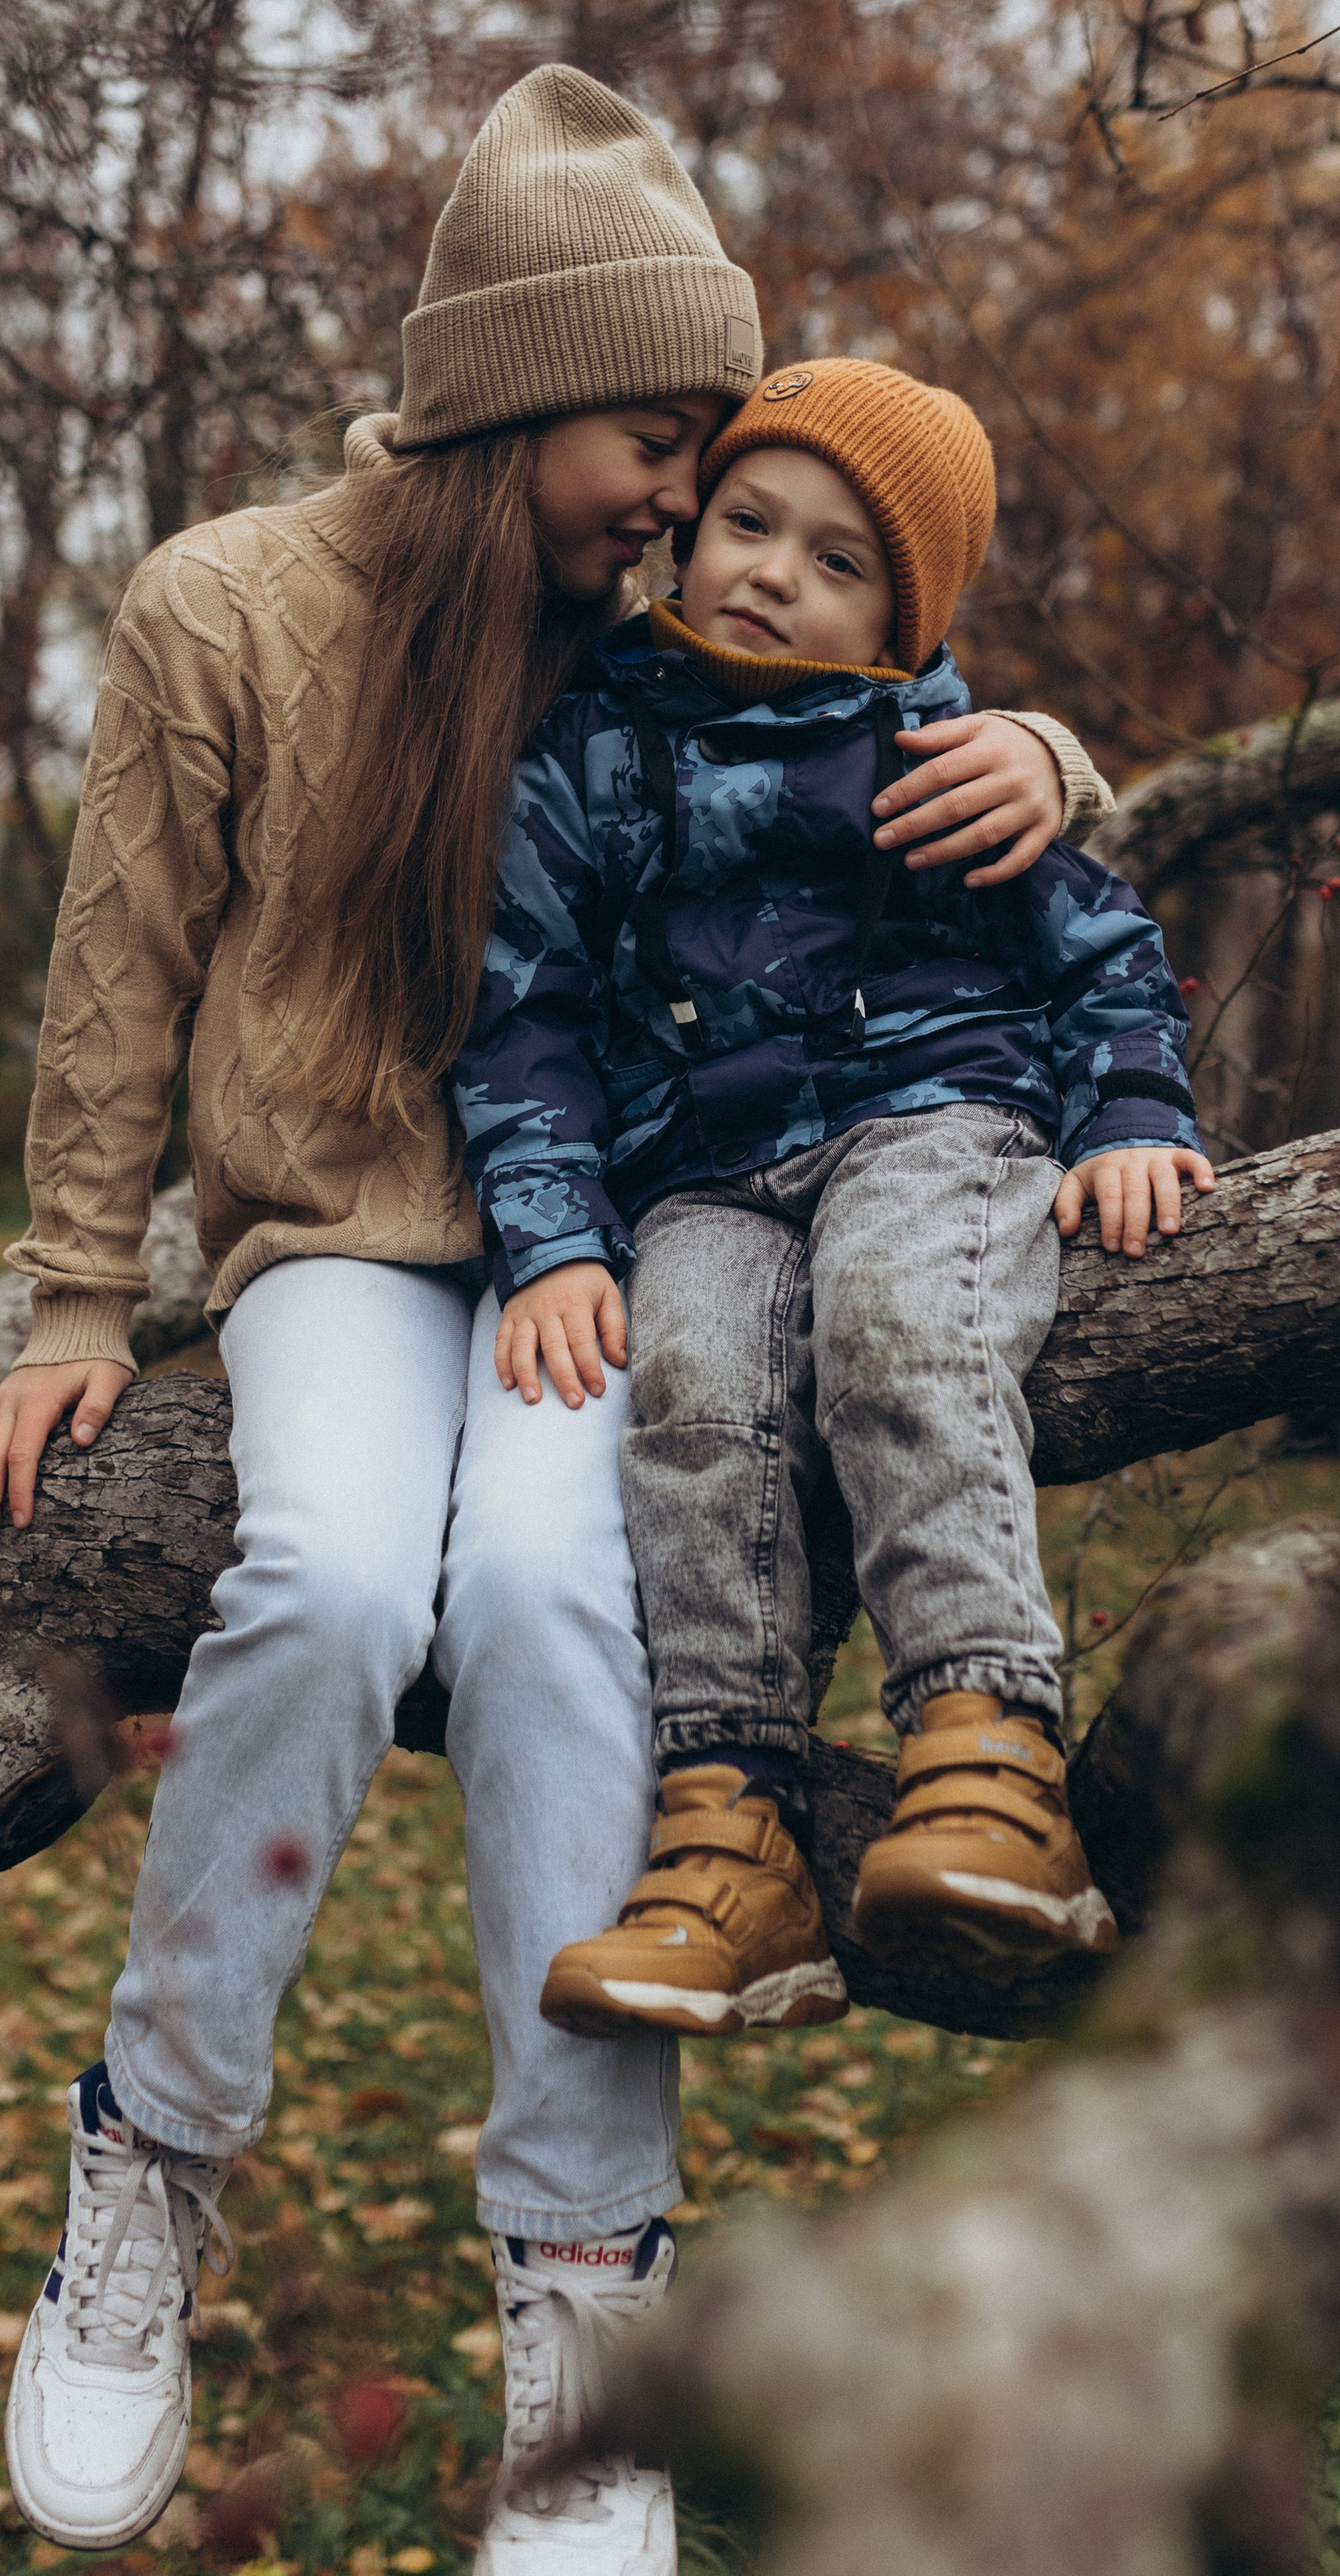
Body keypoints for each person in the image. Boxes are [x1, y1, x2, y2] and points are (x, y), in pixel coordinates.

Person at [0, 75, 1112, 2570]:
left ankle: (589, 2294)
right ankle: (153, 2152)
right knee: (344, 1578)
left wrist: (1045, 754)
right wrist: (65, 1297)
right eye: (654, 438)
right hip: (348, 1243)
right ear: (505, 396)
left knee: (567, 1597)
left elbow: (879, 712)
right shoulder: (226, 605)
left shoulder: (660, 644)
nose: (683, 501)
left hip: (632, 1233)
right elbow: (115, 980)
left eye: (707, 457)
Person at [454, 356, 1214, 2048]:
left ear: (896, 620)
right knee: (691, 1391)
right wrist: (554, 1241)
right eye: (744, 522)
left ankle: (983, 1740)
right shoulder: (586, 744)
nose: (768, 573)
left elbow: (1093, 947)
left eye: (832, 560)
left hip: (930, 1113)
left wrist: (1134, 1113)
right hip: (702, 1167)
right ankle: (733, 1830)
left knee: (892, 1327)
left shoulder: (934, 749)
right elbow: (522, 1018)